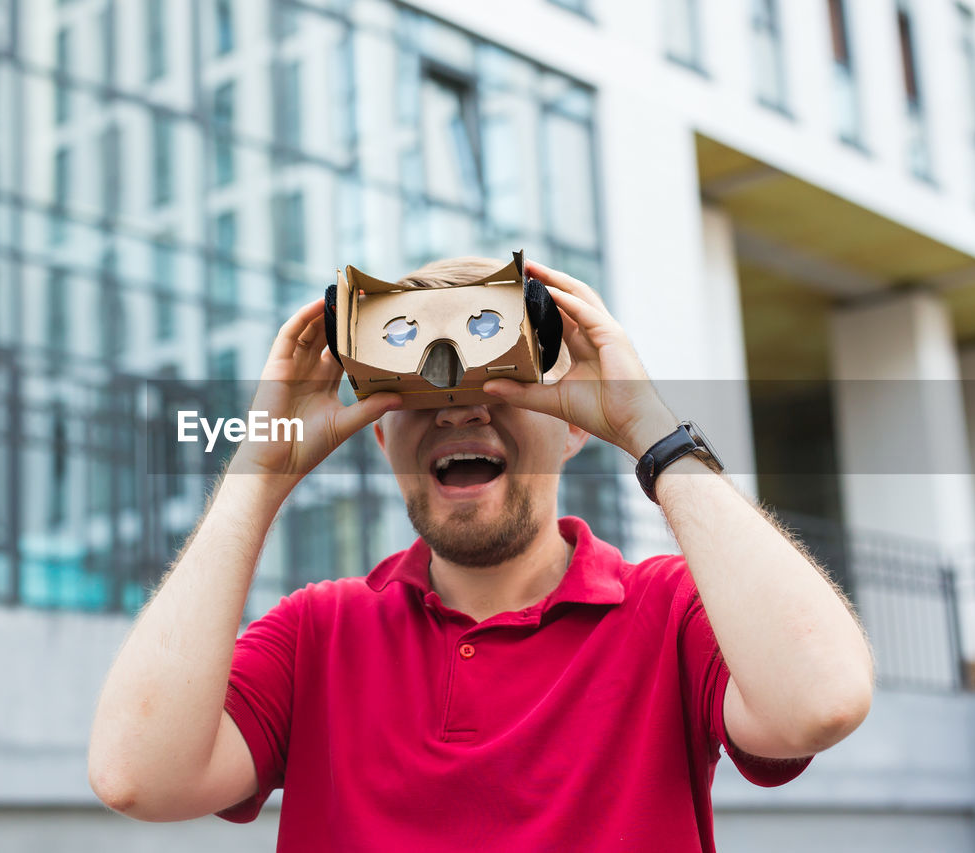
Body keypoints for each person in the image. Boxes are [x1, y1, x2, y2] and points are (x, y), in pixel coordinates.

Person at [87, 257, 875, 851]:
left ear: (573, 424)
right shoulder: (318, 635)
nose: (460, 407)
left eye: (501, 383)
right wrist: (259, 470)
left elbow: (822, 696)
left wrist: (653, 431)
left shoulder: (667, 614)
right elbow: (137, 773)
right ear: (382, 432)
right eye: (419, 396)